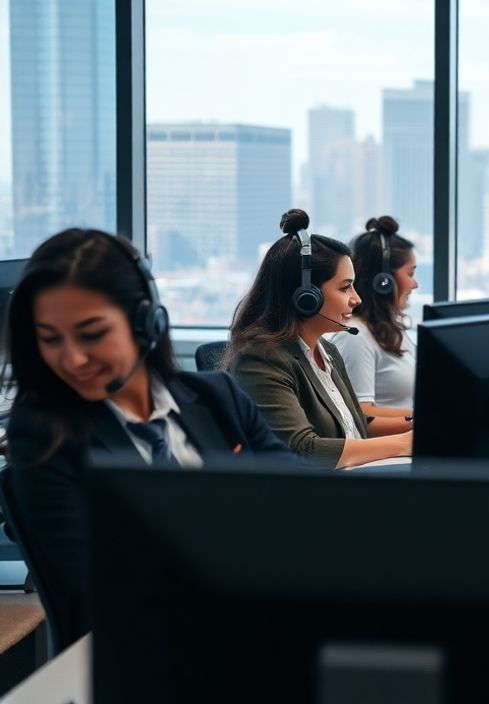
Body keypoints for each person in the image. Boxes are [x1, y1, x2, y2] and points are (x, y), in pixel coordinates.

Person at [0, 230, 292, 650]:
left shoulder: (218, 398)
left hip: (262, 632)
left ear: (146, 321)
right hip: (146, 653)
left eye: (92, 333)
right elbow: (99, 591)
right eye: (50, 339)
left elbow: (297, 507)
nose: (72, 358)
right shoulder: (45, 437)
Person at [227, 210, 412, 467]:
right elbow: (302, 450)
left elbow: (354, 422)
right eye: (345, 287)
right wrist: (403, 444)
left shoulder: (325, 350)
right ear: (306, 296)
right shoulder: (261, 359)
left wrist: (416, 425)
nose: (356, 299)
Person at [332, 216, 418, 414]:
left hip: (411, 441)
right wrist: (427, 417)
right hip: (394, 443)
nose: (415, 284)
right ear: (384, 280)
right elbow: (361, 415)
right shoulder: (355, 336)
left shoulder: (389, 328)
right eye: (411, 274)